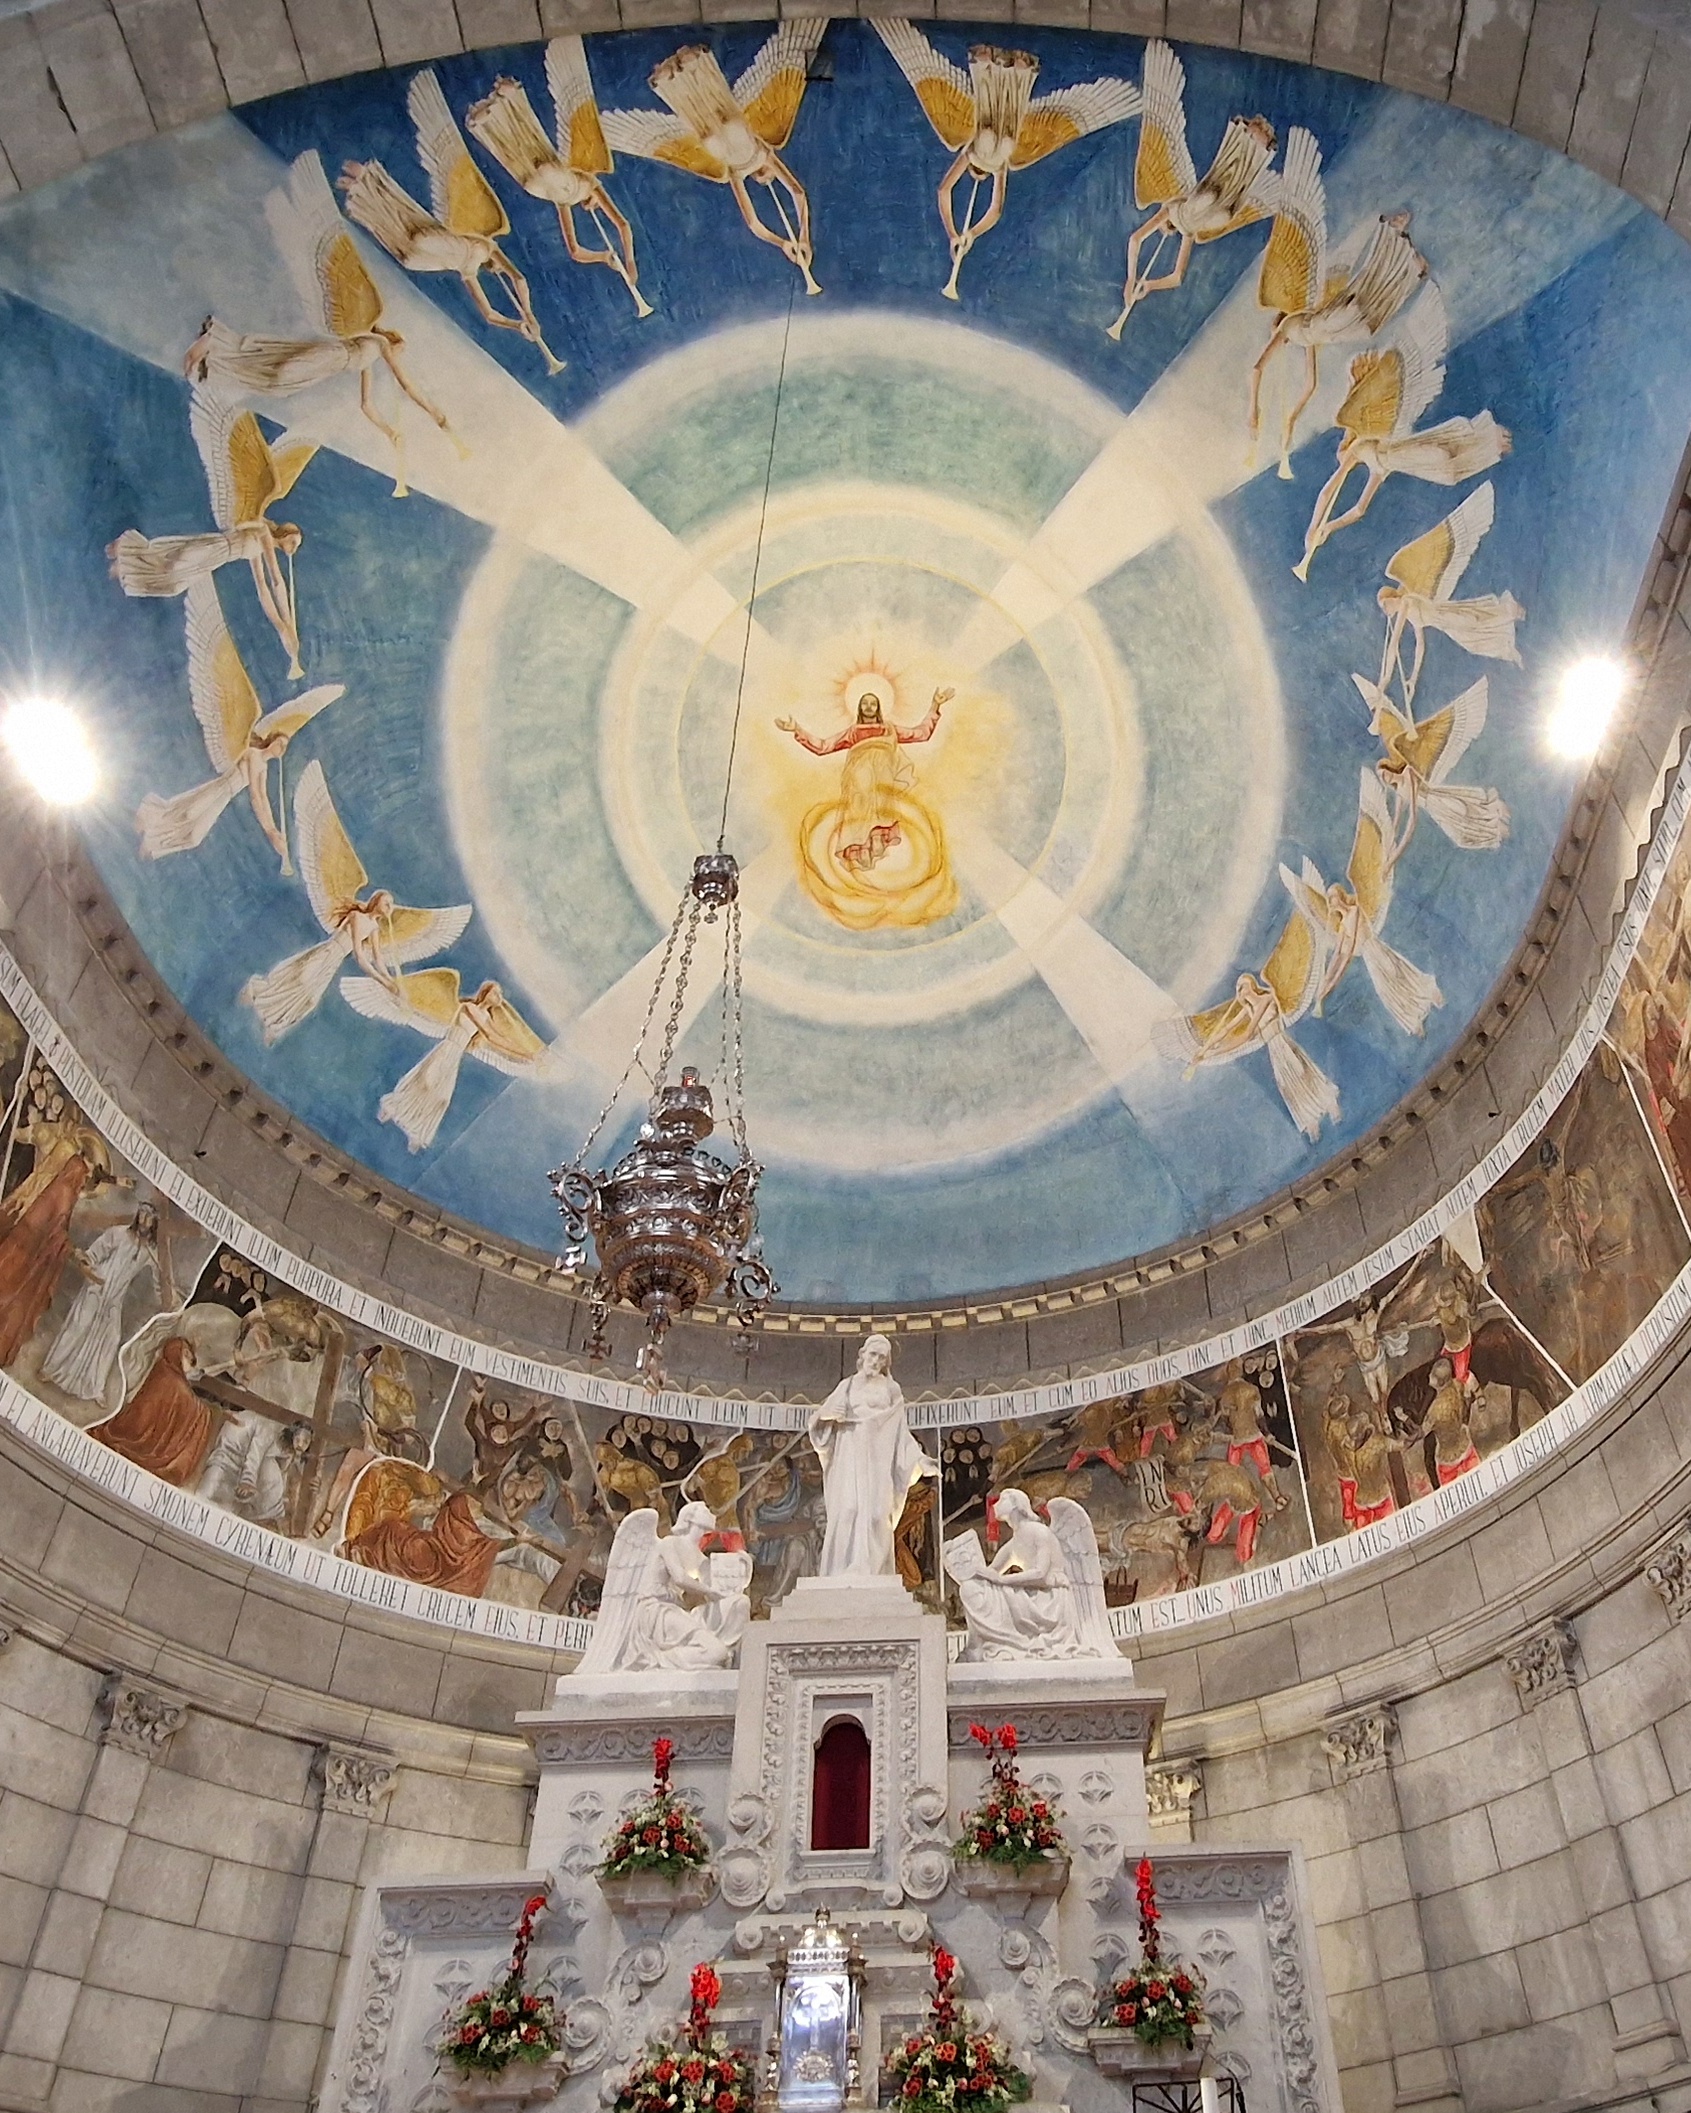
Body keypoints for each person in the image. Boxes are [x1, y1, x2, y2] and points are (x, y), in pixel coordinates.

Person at [807, 1334, 939, 1578]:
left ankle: (873, 1571)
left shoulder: (891, 1388)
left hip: (880, 1457)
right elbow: (820, 1421)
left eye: (882, 1357)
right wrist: (825, 1417)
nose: (876, 1360)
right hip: (848, 1453)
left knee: (879, 1515)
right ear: (862, 1354)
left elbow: (900, 1431)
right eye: (873, 1354)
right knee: (847, 1510)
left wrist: (919, 1461)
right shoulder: (846, 1386)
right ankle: (841, 1570)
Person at [40, 1204, 159, 1405]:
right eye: (142, 1214)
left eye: (149, 1217)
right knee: (79, 1325)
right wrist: (87, 1264)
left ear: (154, 1223)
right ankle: (51, 1369)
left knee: (112, 1337)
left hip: (115, 1298)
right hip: (97, 1286)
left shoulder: (151, 1251)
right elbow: (94, 1253)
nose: (144, 1220)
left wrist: (167, 1298)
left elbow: (159, 1279)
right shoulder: (119, 1233)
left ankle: (95, 1387)